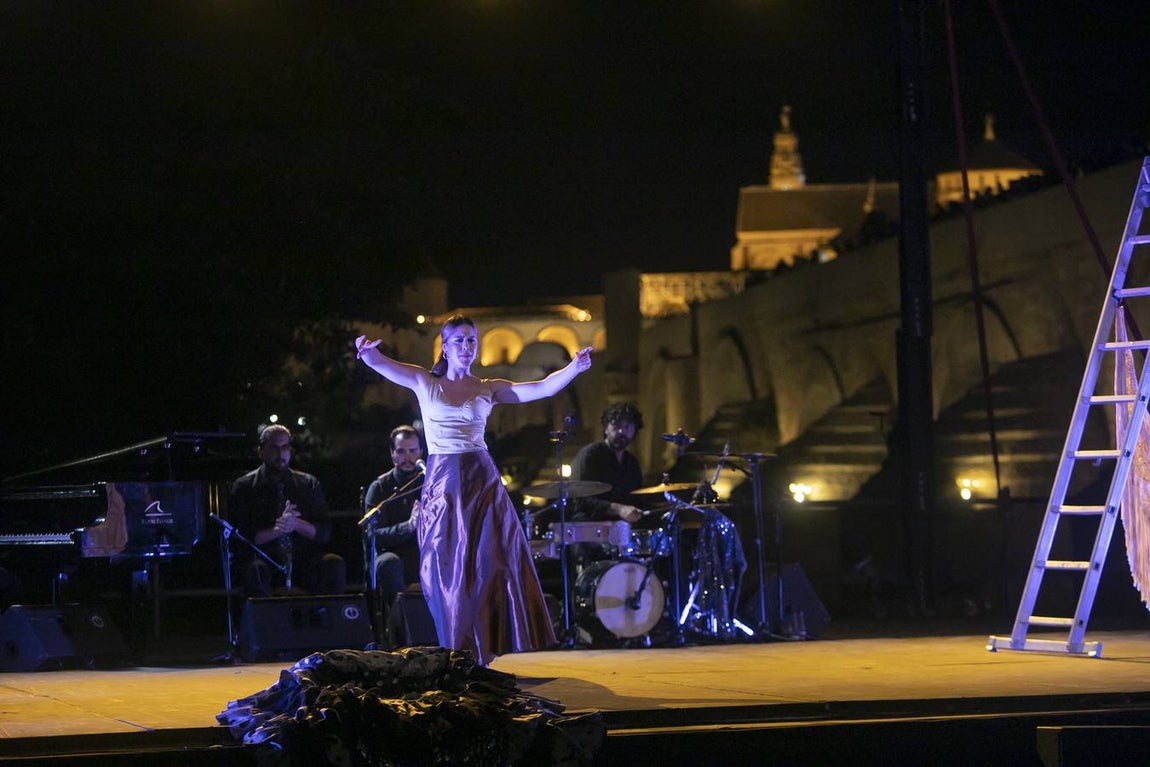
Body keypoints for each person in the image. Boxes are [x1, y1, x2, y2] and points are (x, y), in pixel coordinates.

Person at [355, 316, 592, 665]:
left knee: (488, 565)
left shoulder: (488, 387)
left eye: (472, 340)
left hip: (481, 483)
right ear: (445, 347)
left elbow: (541, 388)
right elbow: (381, 363)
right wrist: (367, 352)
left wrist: (574, 368)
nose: (467, 347)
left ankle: (484, 649)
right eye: (460, 340)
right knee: (447, 569)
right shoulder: (425, 382)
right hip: (444, 483)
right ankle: (458, 649)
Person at [228, 424, 346, 597]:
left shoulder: (308, 484)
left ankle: (327, 614)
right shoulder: (244, 487)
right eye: (274, 448)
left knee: (333, 563)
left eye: (284, 447)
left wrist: (296, 524)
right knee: (254, 570)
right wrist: (279, 529)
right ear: (261, 451)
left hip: (303, 561)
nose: (280, 453)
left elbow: (324, 533)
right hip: (266, 561)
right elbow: (241, 538)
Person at [362, 425, 425, 633]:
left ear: (421, 451)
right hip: (393, 556)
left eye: (413, 450)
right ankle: (402, 632)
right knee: (388, 563)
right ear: (392, 453)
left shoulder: (431, 482)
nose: (408, 457)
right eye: (401, 451)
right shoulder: (380, 487)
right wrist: (408, 526)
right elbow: (373, 535)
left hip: (425, 553)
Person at [569, 402, 646, 525]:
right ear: (606, 428)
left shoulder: (632, 463)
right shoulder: (590, 455)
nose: (621, 431)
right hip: (589, 528)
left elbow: (638, 498)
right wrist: (618, 509)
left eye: (627, 426)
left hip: (621, 530)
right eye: (616, 425)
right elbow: (580, 500)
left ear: (635, 430)